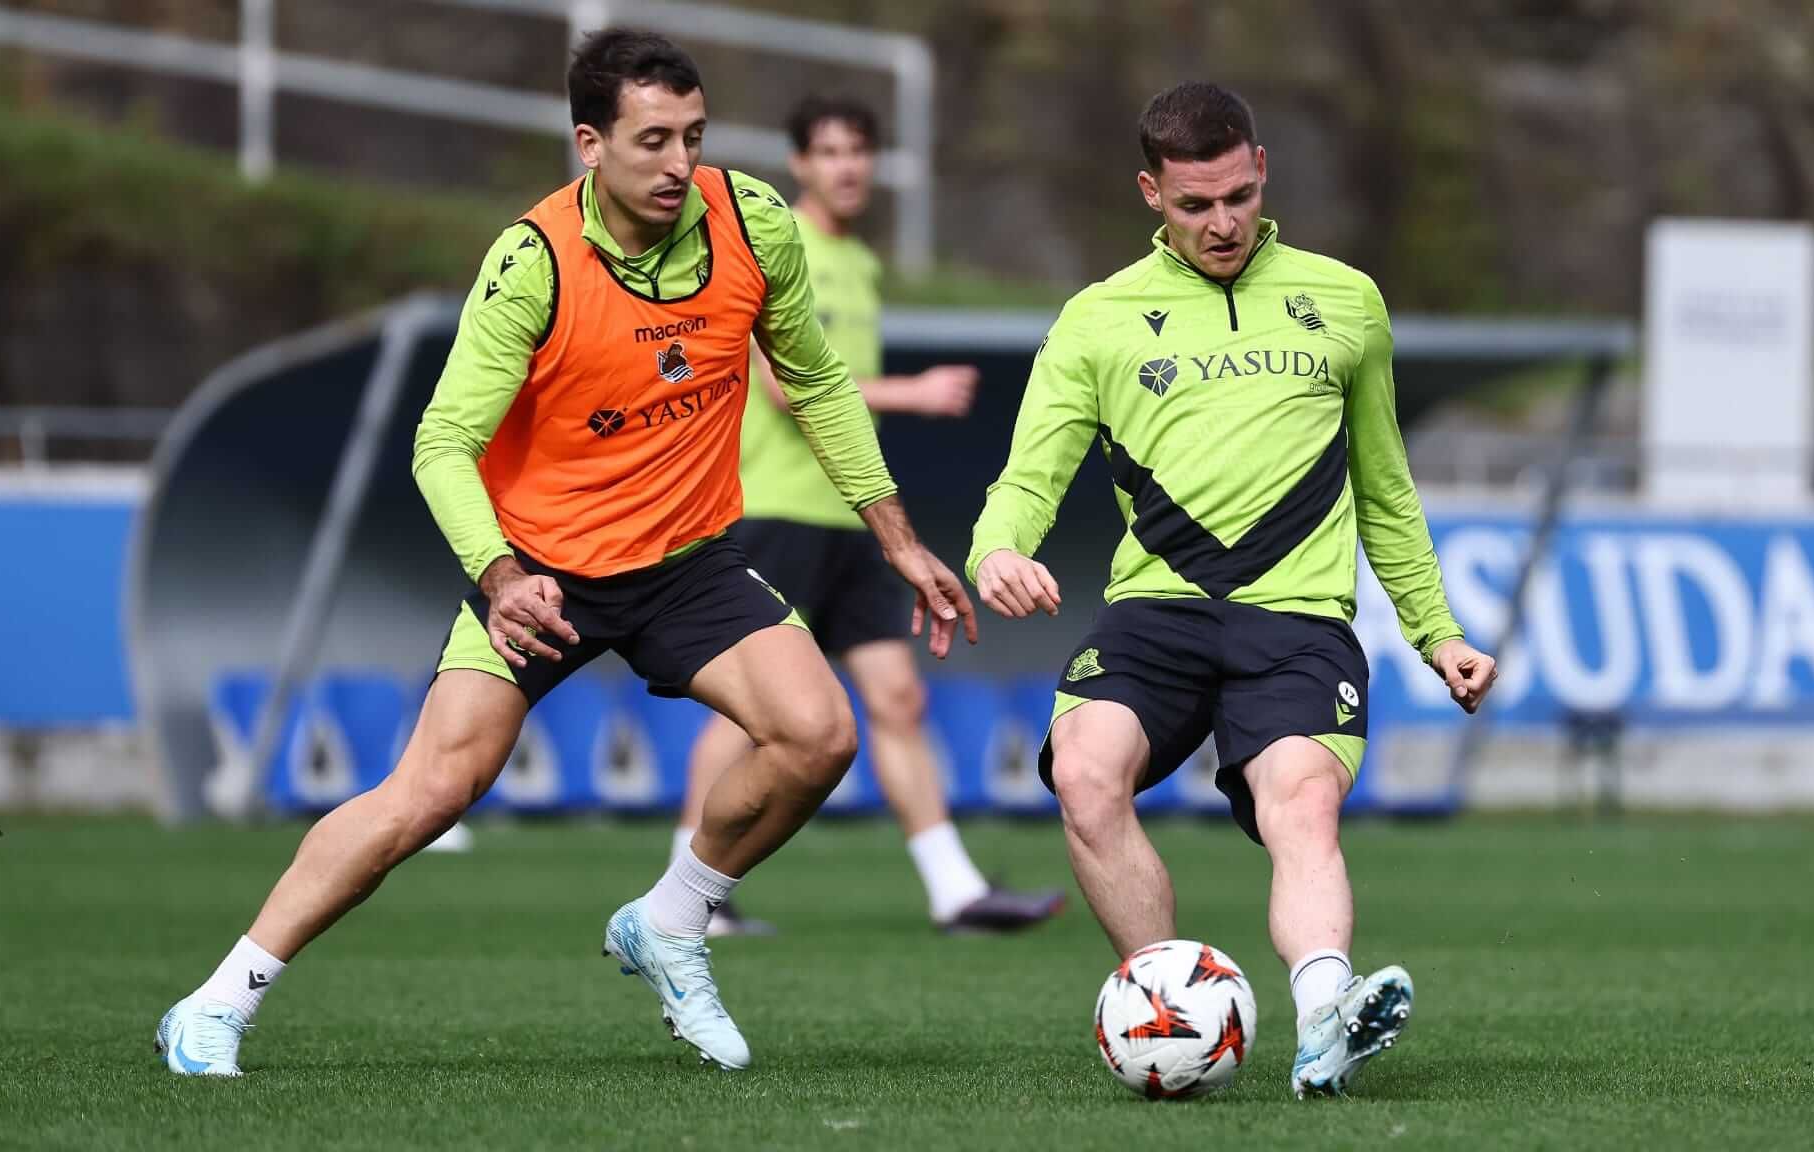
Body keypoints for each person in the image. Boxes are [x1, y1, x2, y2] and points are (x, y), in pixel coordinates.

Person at [155, 29, 974, 1077]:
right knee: (428, 793)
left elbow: (813, 380)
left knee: (818, 735)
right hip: (546, 574)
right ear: (591, 144)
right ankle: (218, 1002)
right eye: (650, 141)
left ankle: (671, 921)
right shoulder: (532, 261)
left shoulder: (753, 221)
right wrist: (500, 576)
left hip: (687, 562)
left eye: (693, 136)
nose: (679, 164)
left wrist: (896, 540)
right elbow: (441, 443)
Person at [966, 82, 1497, 1098]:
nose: (1219, 224)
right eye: (1191, 205)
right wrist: (995, 550)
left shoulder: (1345, 301)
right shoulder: (1096, 319)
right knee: (1083, 776)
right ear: (1149, 195)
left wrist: (1436, 633)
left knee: (1299, 805)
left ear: (1260, 172)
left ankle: (1324, 1018)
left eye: (1234, 199)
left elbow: (1383, 487)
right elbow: (1028, 473)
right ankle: (1167, 1006)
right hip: (1155, 612)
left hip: (1295, 620)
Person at [672, 95, 1064, 937]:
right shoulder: (776, 246)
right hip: (772, 510)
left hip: (851, 520)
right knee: (744, 712)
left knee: (897, 698)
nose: (848, 167)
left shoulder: (862, 264)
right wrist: (912, 393)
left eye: (860, 151)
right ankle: (688, 893)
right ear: (800, 164)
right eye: (830, 152)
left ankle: (953, 889)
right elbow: (781, 390)